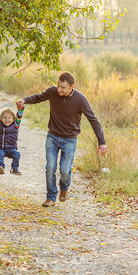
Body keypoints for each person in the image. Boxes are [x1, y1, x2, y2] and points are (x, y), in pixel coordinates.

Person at [16, 71, 107, 207]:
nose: (59, 89)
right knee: (50, 167)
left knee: (64, 170)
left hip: (70, 139)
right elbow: (38, 97)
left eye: (63, 87)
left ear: (71, 87)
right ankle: (51, 197)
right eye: (58, 86)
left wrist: (102, 142)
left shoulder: (80, 99)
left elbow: (93, 120)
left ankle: (64, 189)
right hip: (52, 136)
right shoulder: (52, 92)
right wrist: (25, 100)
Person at [0, 98, 25, 175]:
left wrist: (20, 110)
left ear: (13, 119)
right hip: (0, 147)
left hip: (11, 148)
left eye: (9, 118)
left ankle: (14, 169)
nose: (7, 120)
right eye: (4, 118)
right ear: (1, 119)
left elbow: (19, 116)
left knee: (17, 154)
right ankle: (0, 167)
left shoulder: (15, 125)